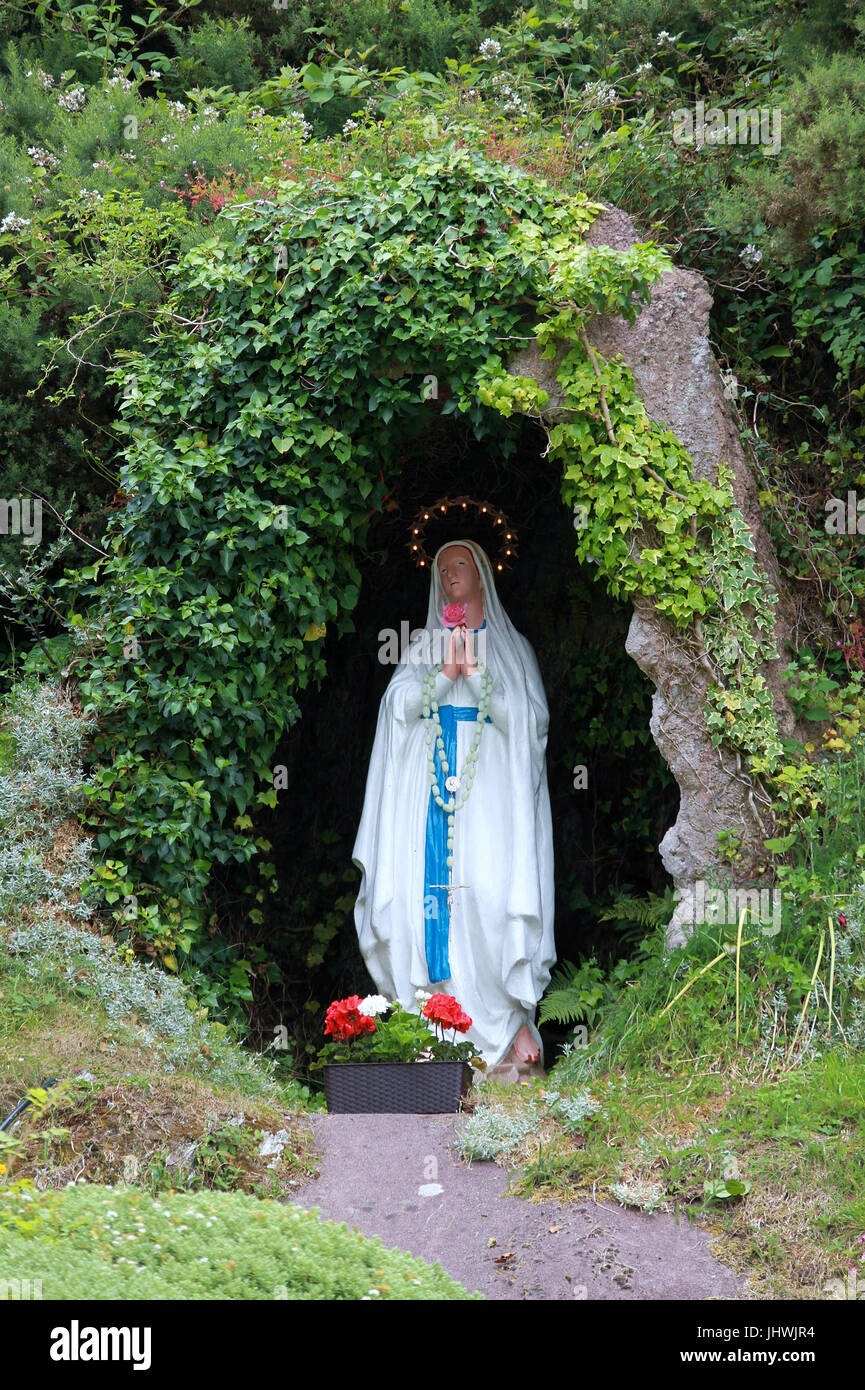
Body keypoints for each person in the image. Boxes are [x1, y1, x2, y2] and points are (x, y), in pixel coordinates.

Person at [352, 539, 556, 1069]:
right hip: (429, 791)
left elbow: (533, 726)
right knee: (426, 910)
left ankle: (507, 1027)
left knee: (488, 897)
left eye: (460, 565)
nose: (450, 575)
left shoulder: (514, 648)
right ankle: (434, 1034)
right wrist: (444, 677)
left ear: (483, 574)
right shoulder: (423, 644)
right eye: (442, 568)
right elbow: (396, 707)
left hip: (489, 792)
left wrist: (478, 678)